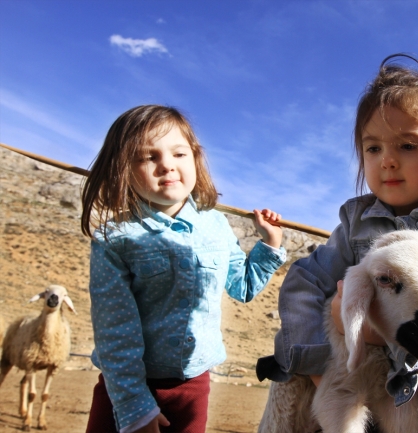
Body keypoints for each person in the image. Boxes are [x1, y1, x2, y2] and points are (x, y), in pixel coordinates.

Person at [257, 54, 418, 432]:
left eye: (407, 146)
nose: (388, 161)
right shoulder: (354, 219)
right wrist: (315, 361)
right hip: (363, 385)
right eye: (373, 148)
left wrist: (410, 341)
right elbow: (306, 281)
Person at [80, 105, 286, 433]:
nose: (167, 166)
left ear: (195, 159)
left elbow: (243, 287)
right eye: (148, 157)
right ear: (123, 169)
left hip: (193, 389)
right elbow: (115, 330)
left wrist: (270, 244)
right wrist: (134, 407)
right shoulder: (115, 240)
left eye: (179, 153)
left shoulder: (216, 225)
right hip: (128, 389)